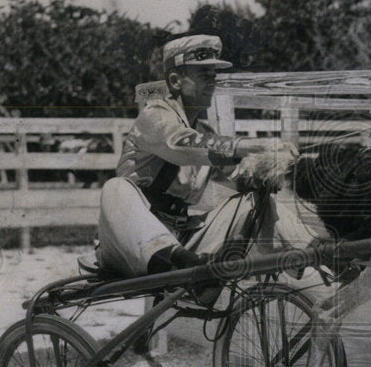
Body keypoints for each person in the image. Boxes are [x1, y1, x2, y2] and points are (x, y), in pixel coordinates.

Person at [96, 33, 297, 292]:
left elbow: (240, 172)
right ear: (175, 81)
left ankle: (310, 255)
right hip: (130, 244)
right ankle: (194, 272)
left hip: (185, 240)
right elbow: (184, 145)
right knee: (116, 188)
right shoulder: (154, 116)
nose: (212, 83)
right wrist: (256, 145)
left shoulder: (204, 131)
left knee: (253, 200)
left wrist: (276, 164)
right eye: (204, 75)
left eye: (214, 75)